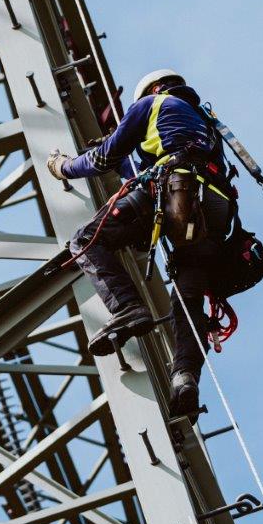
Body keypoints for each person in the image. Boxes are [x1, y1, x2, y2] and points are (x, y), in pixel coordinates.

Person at [46, 69, 235, 418]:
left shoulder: (150, 104)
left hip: (174, 189)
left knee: (86, 240)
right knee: (188, 296)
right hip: (213, 209)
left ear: (153, 89)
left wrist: (64, 166)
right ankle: (185, 378)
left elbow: (103, 160)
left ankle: (127, 308)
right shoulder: (204, 121)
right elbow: (139, 164)